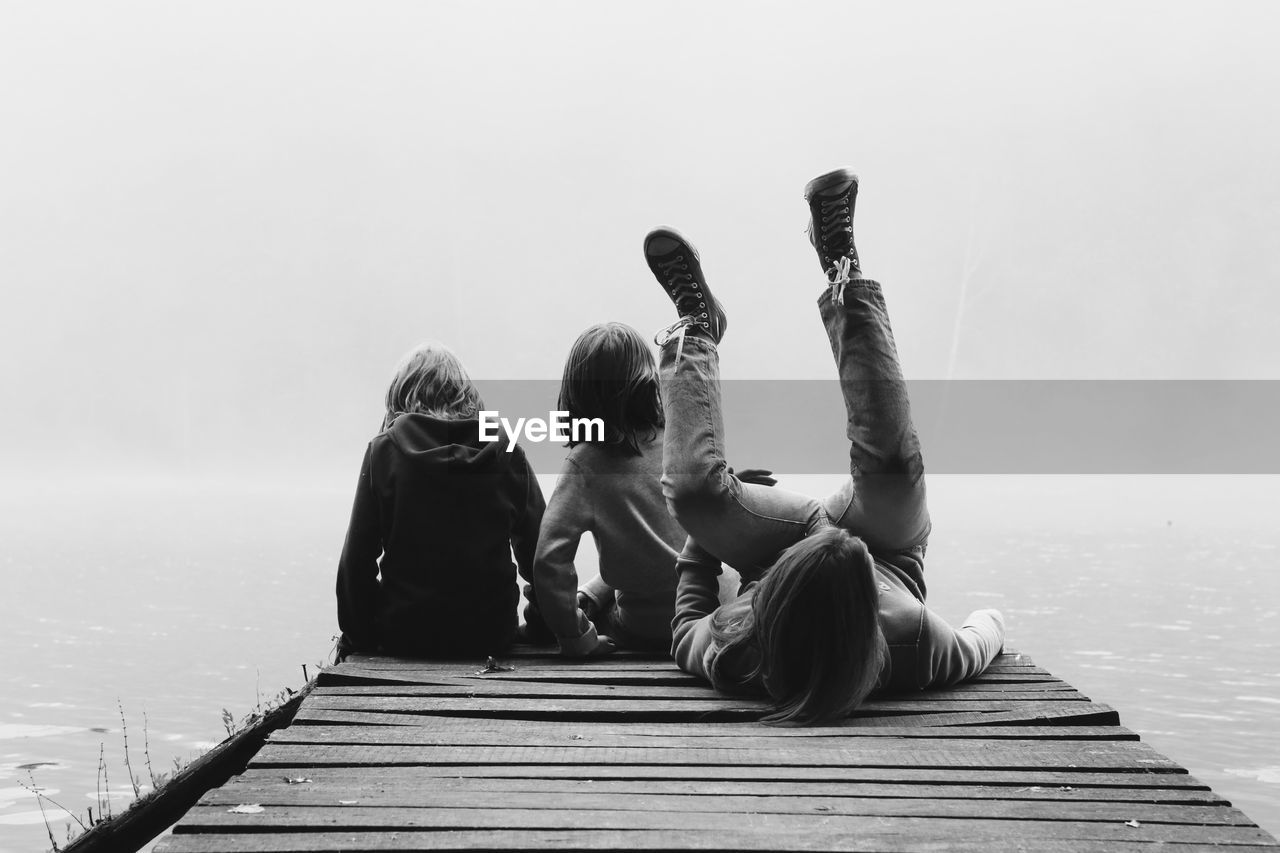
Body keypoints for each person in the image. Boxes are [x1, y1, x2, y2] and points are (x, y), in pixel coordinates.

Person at [644, 168, 1005, 724]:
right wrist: (992, 620)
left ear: (768, 602)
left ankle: (696, 329)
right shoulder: (914, 642)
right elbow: (982, 637)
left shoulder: (734, 650)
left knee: (693, 494)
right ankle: (844, 270)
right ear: (870, 616)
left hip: (771, 548)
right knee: (893, 470)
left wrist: (704, 539)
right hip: (889, 545)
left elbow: (684, 628)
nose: (839, 536)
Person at [335, 342, 551, 660]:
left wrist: (361, 638)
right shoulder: (506, 450)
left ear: (400, 397)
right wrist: (542, 626)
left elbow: (355, 565)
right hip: (491, 634)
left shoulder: (384, 452)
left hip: (404, 636)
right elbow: (541, 555)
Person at [532, 322, 688, 655]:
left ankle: (585, 603)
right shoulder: (678, 439)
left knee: (543, 612)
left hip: (652, 628)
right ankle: (589, 595)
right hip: (708, 606)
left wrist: (577, 639)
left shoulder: (585, 463)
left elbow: (549, 563)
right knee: (647, 553)